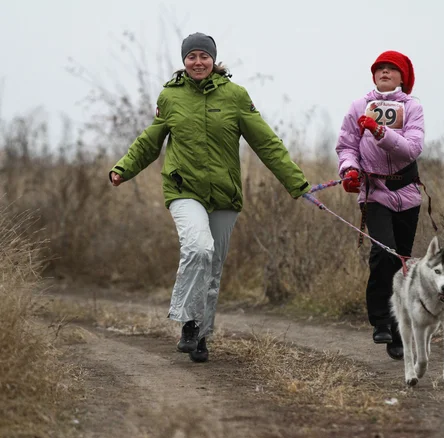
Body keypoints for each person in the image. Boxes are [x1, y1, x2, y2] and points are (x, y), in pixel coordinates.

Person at [109, 32, 311, 362]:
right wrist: (123, 168)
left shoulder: (236, 96)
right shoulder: (171, 96)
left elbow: (266, 142)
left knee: (213, 268)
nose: (198, 62)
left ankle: (202, 336)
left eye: (204, 56)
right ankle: (188, 322)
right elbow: (150, 141)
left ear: (214, 61)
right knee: (198, 249)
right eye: (192, 57)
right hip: (183, 189)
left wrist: (296, 182)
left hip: (224, 194)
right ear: (184, 61)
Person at [335, 50, 424, 360]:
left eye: (392, 69)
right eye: (380, 69)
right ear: (373, 76)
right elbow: (346, 146)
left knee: (402, 261)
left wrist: (380, 131)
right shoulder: (359, 106)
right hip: (374, 194)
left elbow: (411, 149)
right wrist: (349, 171)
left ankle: (398, 331)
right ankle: (380, 320)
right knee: (383, 251)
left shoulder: (412, 108)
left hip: (408, 194)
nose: (385, 72)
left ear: (403, 78)